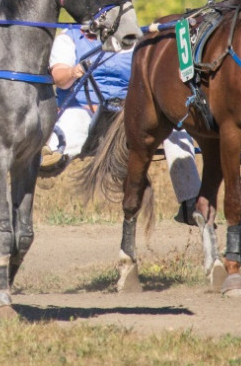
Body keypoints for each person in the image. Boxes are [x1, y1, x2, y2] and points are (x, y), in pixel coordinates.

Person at [40, 27, 202, 224]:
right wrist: (74, 71)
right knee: (70, 131)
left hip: (129, 114)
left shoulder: (136, 38)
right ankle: (48, 161)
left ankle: (190, 201)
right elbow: (60, 79)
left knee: (176, 127)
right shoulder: (70, 37)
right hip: (83, 107)